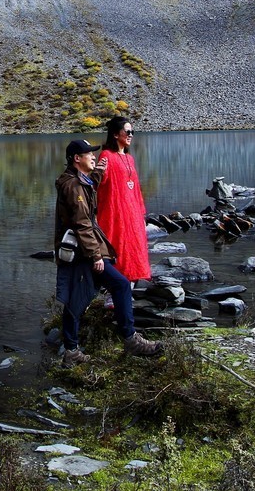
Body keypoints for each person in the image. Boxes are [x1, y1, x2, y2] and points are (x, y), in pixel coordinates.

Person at [54, 138, 161, 367]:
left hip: (82, 250)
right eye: (89, 154)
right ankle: (130, 339)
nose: (94, 156)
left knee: (76, 298)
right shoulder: (72, 186)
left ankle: (72, 351)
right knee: (119, 285)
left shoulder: (78, 180)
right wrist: (96, 256)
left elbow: (87, 188)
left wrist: (99, 174)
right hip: (82, 252)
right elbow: (82, 223)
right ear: (77, 159)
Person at [96, 116, 151, 283]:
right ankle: (114, 288)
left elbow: (136, 189)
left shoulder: (129, 158)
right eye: (127, 131)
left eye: (132, 132)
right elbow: (99, 183)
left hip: (132, 212)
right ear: (115, 134)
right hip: (116, 211)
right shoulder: (106, 155)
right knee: (118, 245)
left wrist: (141, 213)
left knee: (135, 246)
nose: (131, 135)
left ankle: (134, 282)